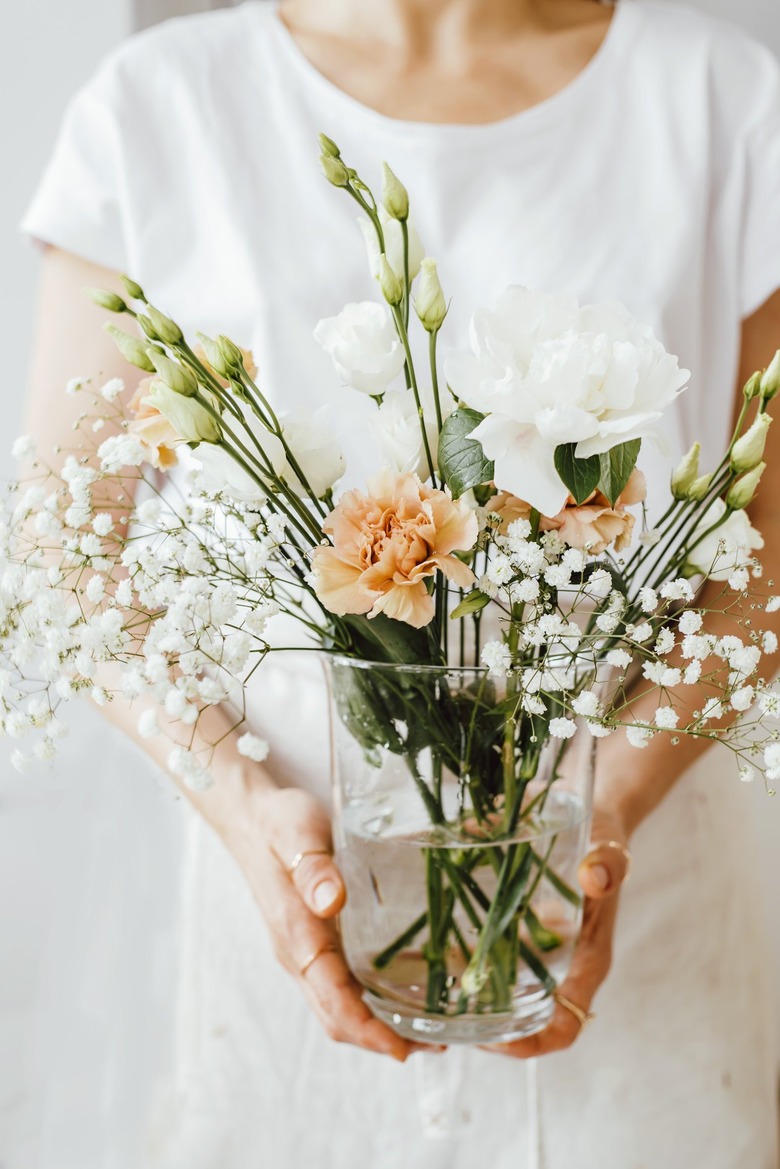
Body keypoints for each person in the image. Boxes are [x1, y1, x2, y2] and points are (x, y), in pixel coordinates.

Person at [20, 0, 780, 1165]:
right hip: (294, 903)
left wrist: (604, 811)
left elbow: (762, 555)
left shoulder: (726, 100)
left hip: (640, 911)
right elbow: (68, 550)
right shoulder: (158, 108)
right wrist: (239, 796)